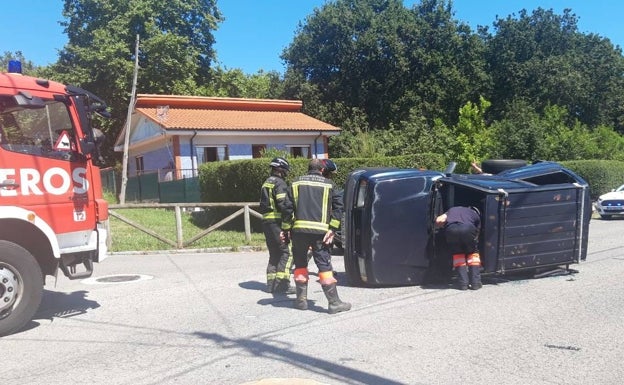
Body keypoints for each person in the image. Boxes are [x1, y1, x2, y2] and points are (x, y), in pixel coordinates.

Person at [283, 158, 351, 314]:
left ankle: (301, 301)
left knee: (300, 265)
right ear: (322, 170)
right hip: (321, 234)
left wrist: (286, 229)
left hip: (299, 232)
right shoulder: (329, 185)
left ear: (308, 169)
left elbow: (286, 209)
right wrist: (332, 229)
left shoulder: (295, 183)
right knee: (324, 266)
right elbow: (338, 208)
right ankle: (334, 303)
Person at [259, 157, 294, 294]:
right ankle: (282, 285)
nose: (286, 173)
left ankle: (271, 285)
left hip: (266, 222)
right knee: (287, 252)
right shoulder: (280, 183)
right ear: (280, 169)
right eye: (285, 170)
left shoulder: (266, 183)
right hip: (277, 223)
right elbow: (283, 206)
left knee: (274, 254)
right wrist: (287, 225)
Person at [435, 206, 483, 290]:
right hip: (468, 229)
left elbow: (439, 220)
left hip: (451, 230)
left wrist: (443, 227)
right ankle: (475, 283)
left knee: (458, 255)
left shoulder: (452, 210)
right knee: (473, 254)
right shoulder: (475, 215)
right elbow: (477, 234)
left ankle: (463, 284)